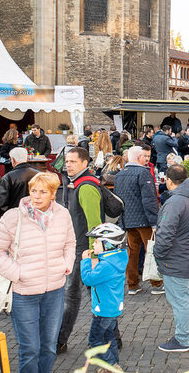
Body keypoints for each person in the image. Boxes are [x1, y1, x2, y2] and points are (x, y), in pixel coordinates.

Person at [0, 172, 75, 373]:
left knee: (49, 348)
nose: (37, 196)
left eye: (43, 192)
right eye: (33, 191)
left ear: (53, 193)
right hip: (23, 294)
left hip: (54, 291)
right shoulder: (13, 217)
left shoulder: (62, 214)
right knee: (30, 349)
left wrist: (66, 264)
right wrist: (17, 272)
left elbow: (70, 243)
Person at [57, 147, 107, 354]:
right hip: (77, 247)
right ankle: (112, 336)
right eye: (66, 161)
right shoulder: (74, 184)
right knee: (95, 295)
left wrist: (93, 255)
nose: (67, 165)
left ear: (85, 163)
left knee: (73, 296)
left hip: (83, 250)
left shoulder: (85, 186)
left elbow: (94, 223)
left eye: (72, 161)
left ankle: (59, 341)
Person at [154, 165, 189, 352]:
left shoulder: (176, 202)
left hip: (176, 257)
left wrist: (157, 255)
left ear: (169, 181)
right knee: (183, 295)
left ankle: (182, 338)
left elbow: (165, 233)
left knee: (178, 299)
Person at [114, 146, 162, 295]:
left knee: (132, 252)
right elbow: (149, 200)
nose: (146, 159)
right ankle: (156, 284)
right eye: (144, 157)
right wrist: (154, 221)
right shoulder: (143, 173)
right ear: (139, 157)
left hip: (127, 219)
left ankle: (132, 284)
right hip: (144, 220)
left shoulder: (120, 175)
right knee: (152, 250)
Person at [80, 223, 128, 373]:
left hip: (103, 311)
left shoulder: (106, 265)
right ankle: (111, 366)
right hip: (113, 309)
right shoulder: (116, 260)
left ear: (108, 244)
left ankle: (112, 364)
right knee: (109, 338)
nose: (93, 244)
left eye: (96, 242)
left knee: (94, 340)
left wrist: (85, 261)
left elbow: (88, 279)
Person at [0, 148, 39, 221]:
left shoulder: (8, 177)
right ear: (27, 158)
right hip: (36, 216)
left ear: (12, 160)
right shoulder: (39, 175)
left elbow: (1, 204)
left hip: (15, 218)